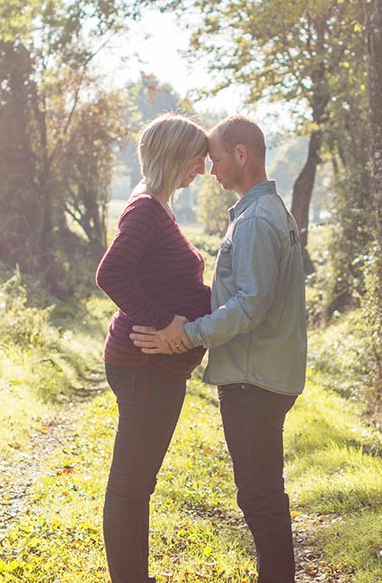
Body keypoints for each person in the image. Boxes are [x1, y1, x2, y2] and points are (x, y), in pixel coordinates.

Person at [131, 115, 307, 583]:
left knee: (260, 497)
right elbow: (252, 293)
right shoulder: (269, 213)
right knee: (263, 495)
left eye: (216, 159)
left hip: (253, 378)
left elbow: (249, 305)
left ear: (242, 155)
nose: (209, 170)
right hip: (262, 372)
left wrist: (187, 334)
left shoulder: (255, 221)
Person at [95, 113, 211, 583]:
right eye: (196, 160)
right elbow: (111, 273)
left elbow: (162, 279)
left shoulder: (157, 206)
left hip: (155, 367)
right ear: (174, 156)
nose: (203, 170)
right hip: (143, 364)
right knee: (131, 484)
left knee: (137, 482)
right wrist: (165, 323)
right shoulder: (145, 208)